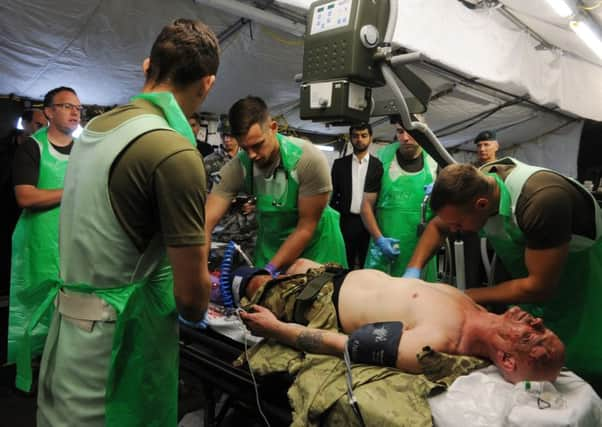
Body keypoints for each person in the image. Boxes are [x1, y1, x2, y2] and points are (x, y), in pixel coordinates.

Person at [24, 19, 219, 427]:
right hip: (117, 349)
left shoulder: (94, 129)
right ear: (207, 84)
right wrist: (196, 295)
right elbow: (191, 298)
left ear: (147, 66)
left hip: (68, 338)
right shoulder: (174, 153)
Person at [405, 159, 602, 385]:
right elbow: (438, 226)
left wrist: (463, 296)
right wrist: (413, 269)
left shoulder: (541, 201)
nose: (454, 230)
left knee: (578, 368)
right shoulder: (474, 188)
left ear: (481, 205)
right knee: (529, 361)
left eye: (458, 225)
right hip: (528, 287)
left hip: (584, 289)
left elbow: (539, 287)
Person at [235, 259, 565, 384]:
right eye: (543, 327)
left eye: (531, 337)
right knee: (296, 263)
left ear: (507, 360)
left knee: (250, 284)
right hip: (336, 274)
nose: (535, 321)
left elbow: (344, 346)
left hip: (320, 304)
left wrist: (276, 329)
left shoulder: (435, 342)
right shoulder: (477, 309)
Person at [205, 96, 347, 275]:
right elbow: (206, 222)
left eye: (257, 145)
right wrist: (198, 269)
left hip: (316, 247)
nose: (252, 156)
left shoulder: (307, 160)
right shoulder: (239, 167)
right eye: (245, 148)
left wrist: (270, 270)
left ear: (273, 128)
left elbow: (306, 227)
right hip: (272, 243)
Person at [7, 89, 80, 366]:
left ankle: (62, 370)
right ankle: (28, 369)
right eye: (66, 106)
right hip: (39, 239)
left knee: (71, 308)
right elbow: (26, 196)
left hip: (74, 239)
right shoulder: (32, 148)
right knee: (34, 308)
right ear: (48, 112)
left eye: (78, 107)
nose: (75, 112)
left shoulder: (84, 151)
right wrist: (72, 191)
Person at [361, 120, 438, 279]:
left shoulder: (435, 160)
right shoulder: (381, 160)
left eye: (411, 132)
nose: (405, 138)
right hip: (388, 248)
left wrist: (440, 193)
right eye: (400, 132)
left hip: (422, 248)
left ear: (423, 132)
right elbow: (366, 206)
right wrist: (379, 240)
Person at [330, 123, 382, 269]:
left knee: (368, 263)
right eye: (355, 136)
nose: (360, 139)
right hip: (346, 221)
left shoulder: (378, 165)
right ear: (351, 138)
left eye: (364, 136)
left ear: (370, 138)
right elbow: (333, 195)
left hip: (370, 222)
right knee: (344, 261)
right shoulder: (340, 164)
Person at [204, 118, 257, 259]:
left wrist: (254, 204)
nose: (227, 139)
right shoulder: (209, 162)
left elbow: (262, 187)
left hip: (249, 231)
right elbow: (202, 194)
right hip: (223, 231)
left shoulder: (251, 158)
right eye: (224, 136)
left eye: (231, 136)